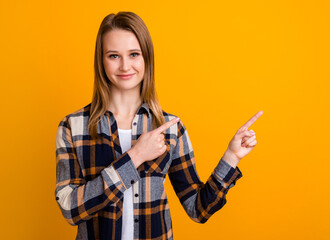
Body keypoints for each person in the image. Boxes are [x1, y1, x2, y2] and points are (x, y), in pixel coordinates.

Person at [55, 11, 263, 240]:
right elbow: (69, 209)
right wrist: (135, 157)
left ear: (147, 58)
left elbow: (198, 209)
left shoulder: (170, 128)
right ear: (101, 60)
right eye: (114, 56)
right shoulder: (73, 127)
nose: (125, 66)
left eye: (134, 54)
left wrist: (231, 157)